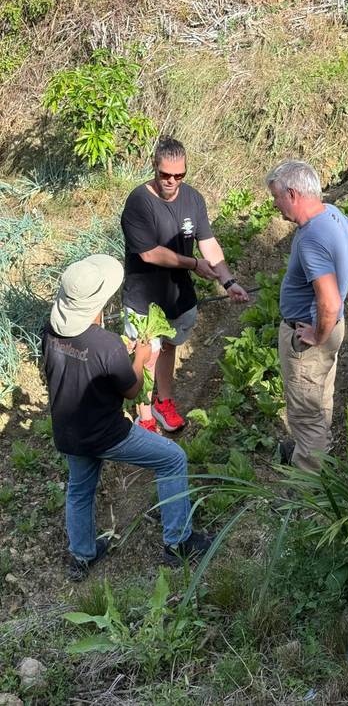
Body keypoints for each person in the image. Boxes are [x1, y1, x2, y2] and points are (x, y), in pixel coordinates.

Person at [42, 254, 212, 581]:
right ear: (98, 304)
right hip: (107, 434)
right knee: (173, 459)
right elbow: (132, 391)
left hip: (68, 431)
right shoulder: (107, 345)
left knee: (79, 489)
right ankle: (178, 542)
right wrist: (141, 357)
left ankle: (82, 556)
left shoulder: (50, 332)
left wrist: (124, 355)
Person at [121, 137, 249, 434]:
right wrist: (193, 264)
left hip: (178, 296)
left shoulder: (193, 198)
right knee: (147, 355)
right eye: (166, 174)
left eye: (179, 175)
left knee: (168, 348)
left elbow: (208, 243)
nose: (171, 181)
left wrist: (227, 281)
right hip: (144, 298)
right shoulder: (139, 202)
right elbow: (150, 253)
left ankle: (163, 402)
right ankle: (145, 417)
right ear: (154, 167)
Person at [266, 160, 348, 471]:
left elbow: (330, 303)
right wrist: (340, 268)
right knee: (321, 398)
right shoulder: (331, 214)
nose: (274, 205)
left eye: (276, 197)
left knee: (305, 410)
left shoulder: (310, 238)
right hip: (332, 328)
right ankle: (322, 455)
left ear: (292, 194)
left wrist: (316, 336)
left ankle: (310, 486)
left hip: (313, 333)